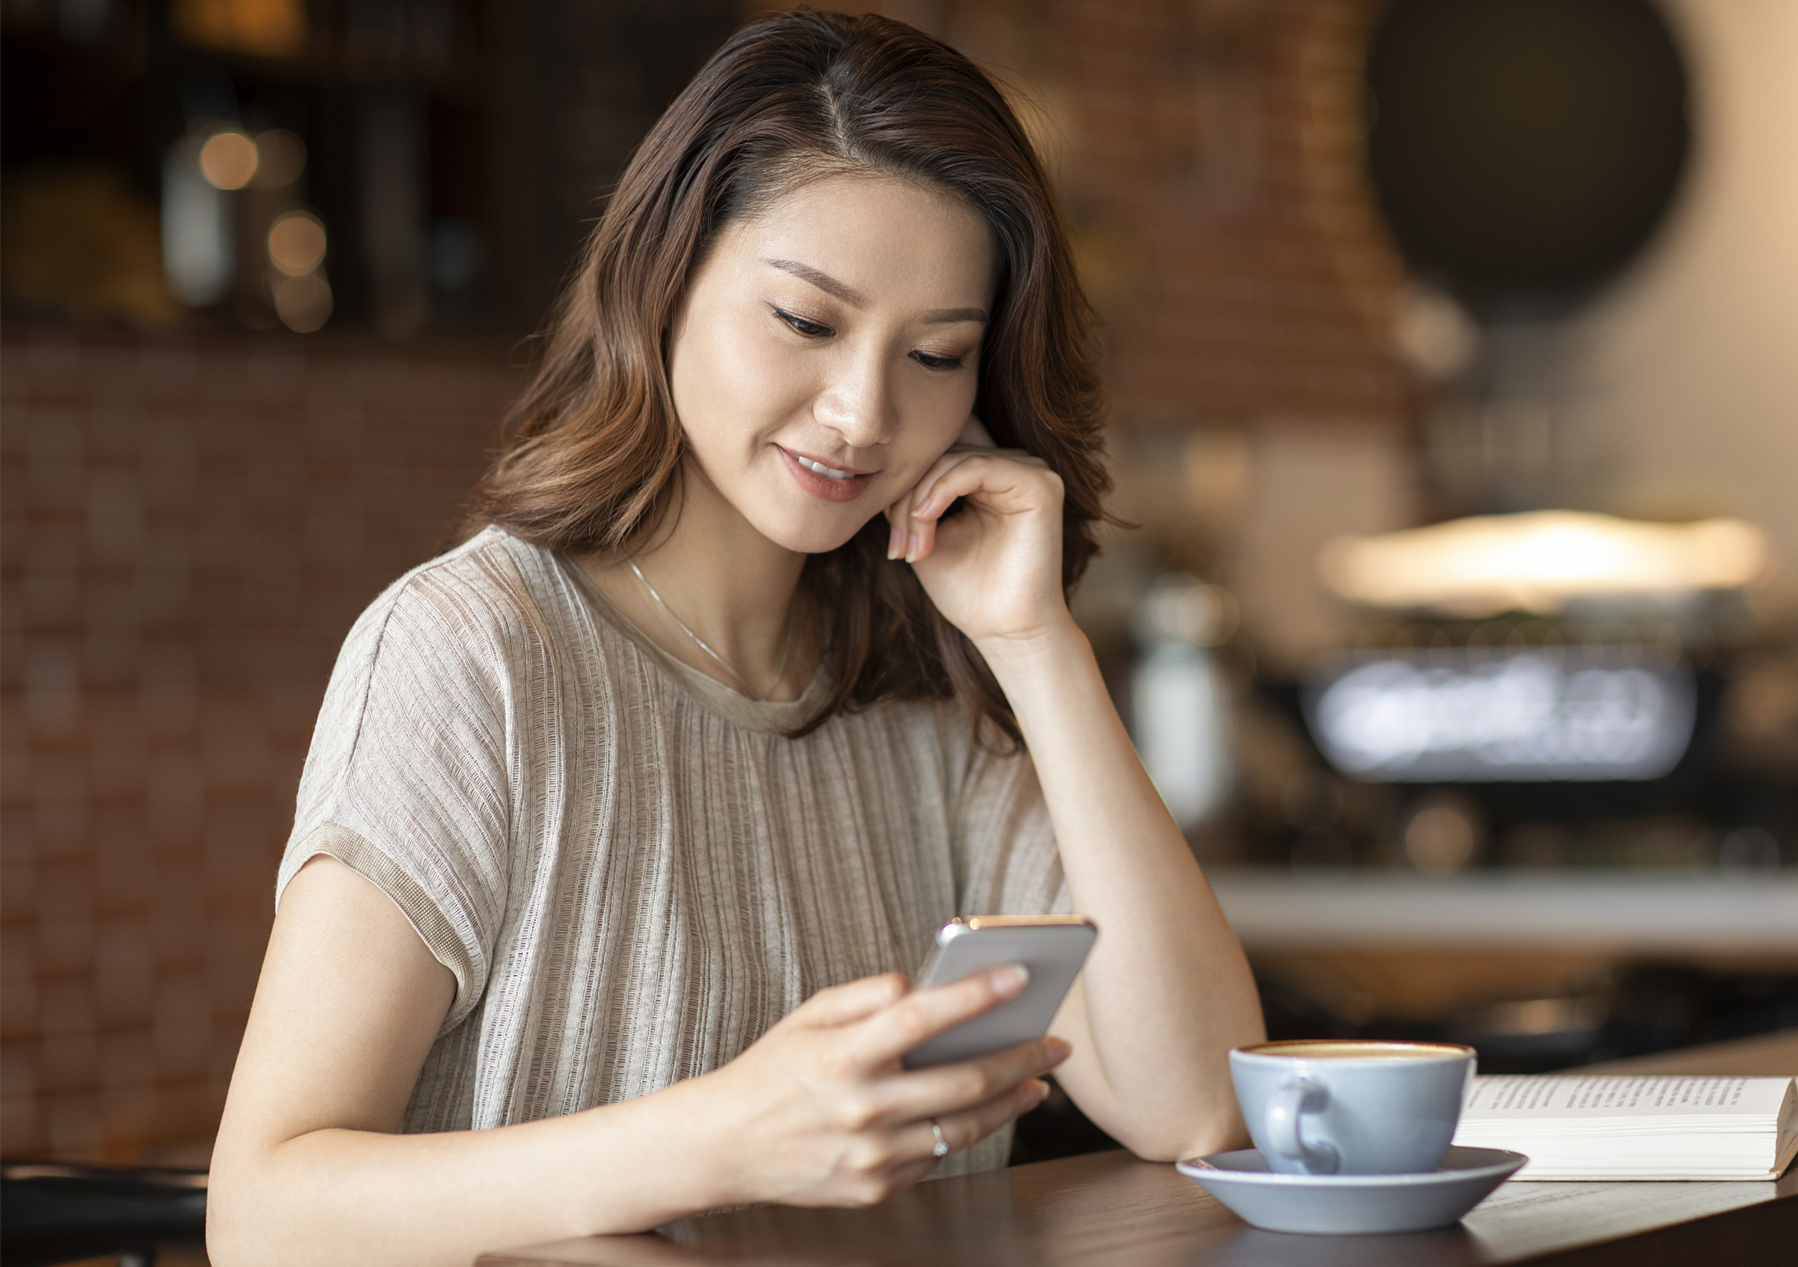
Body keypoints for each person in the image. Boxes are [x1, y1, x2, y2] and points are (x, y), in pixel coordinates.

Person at [205, 11, 1263, 1266]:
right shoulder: (475, 654)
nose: (863, 412)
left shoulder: (924, 692)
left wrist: (1036, 643)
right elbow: (263, 1213)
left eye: (934, 355)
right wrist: (721, 1136)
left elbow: (1196, 1102)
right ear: (667, 282)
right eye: (806, 324)